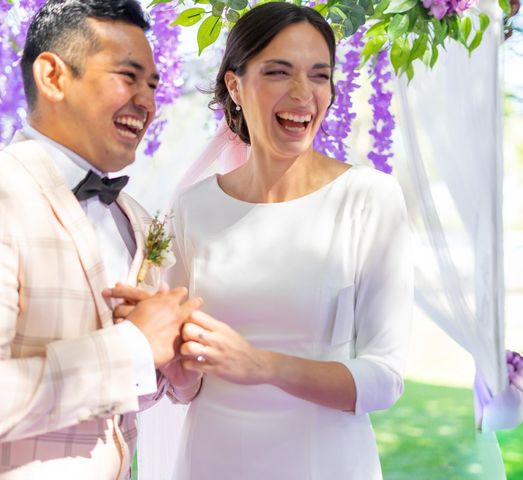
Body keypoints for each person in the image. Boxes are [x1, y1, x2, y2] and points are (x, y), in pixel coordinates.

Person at [114, 3, 412, 478]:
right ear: (235, 85)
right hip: (211, 458)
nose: (303, 94)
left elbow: (385, 378)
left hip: (325, 462)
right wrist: (172, 361)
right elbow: (185, 383)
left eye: (320, 75)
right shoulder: (193, 208)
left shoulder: (368, 197)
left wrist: (262, 365)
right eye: (278, 72)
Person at [0, 1, 201, 479]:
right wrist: (133, 346)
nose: (147, 101)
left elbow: (108, 396)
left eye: (153, 84)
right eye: (127, 76)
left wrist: (166, 366)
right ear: (52, 76)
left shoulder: (131, 217)